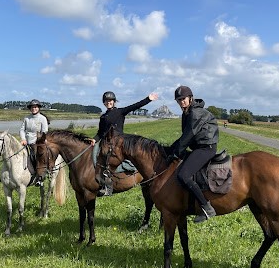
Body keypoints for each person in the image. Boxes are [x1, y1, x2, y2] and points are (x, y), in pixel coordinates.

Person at [90, 90, 158, 195]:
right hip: (105, 143)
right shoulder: (103, 117)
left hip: (118, 143)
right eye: (106, 101)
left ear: (114, 102)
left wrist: (148, 99)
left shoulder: (120, 112)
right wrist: (94, 139)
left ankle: (114, 183)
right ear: (104, 103)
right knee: (96, 157)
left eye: (110, 101)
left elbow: (134, 106)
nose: (108, 102)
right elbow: (100, 132)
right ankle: (100, 182)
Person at [169, 85, 218, 223]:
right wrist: (170, 149)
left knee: (183, 175)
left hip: (206, 148)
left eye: (183, 99)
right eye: (178, 100)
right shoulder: (187, 112)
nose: (181, 102)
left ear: (190, 98)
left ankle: (206, 207)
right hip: (198, 147)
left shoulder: (195, 113)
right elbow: (184, 136)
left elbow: (188, 136)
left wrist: (176, 153)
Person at [20, 99, 49, 186]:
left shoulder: (42, 119)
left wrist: (38, 140)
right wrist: (23, 139)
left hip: (37, 142)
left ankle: (40, 177)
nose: (34, 109)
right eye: (32, 107)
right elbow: (22, 130)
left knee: (37, 157)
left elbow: (44, 131)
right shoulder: (26, 118)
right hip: (26, 142)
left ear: (38, 108)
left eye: (35, 107)